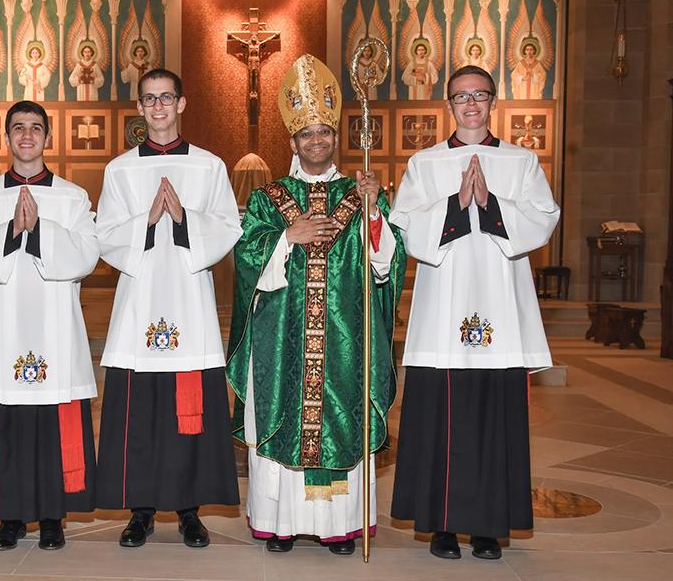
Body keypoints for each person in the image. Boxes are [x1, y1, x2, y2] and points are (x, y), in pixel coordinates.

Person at [227, 53, 406, 555]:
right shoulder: (270, 197)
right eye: (307, 134)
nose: (317, 141)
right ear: (293, 142)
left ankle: (338, 527)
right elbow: (246, 257)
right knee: (284, 417)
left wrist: (373, 216)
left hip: (344, 341)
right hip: (284, 340)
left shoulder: (360, 191)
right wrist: (288, 235)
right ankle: (279, 523)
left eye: (325, 131)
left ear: (335, 139)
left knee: (340, 418)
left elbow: (384, 264)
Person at [389, 65, 560, 560]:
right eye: (461, 97)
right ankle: (441, 526)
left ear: (491, 102)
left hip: (500, 311)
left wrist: (491, 203)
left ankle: (488, 527)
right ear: (448, 104)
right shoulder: (424, 164)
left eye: (479, 95)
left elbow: (544, 219)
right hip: (443, 310)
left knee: (493, 421)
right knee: (441, 420)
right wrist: (453, 205)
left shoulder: (521, 162)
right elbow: (404, 228)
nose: (470, 104)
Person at [95, 68, 242, 549]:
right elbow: (106, 238)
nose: (158, 107)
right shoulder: (120, 170)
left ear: (182, 103)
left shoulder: (209, 166)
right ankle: (139, 512)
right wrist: (148, 218)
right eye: (148, 99)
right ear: (139, 108)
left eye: (166, 98)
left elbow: (226, 229)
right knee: (139, 414)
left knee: (189, 412)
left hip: (188, 303)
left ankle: (188, 511)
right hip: (139, 305)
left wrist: (184, 219)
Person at [0, 100, 99, 552]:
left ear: (48, 137)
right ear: (7, 137)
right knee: (9, 422)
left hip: (56, 329)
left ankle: (53, 517)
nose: (27, 136)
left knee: (53, 420)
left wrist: (40, 230)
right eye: (18, 128)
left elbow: (87, 255)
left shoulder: (72, 197)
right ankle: (10, 517)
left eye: (36, 128)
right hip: (4, 330)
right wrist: (11, 232)